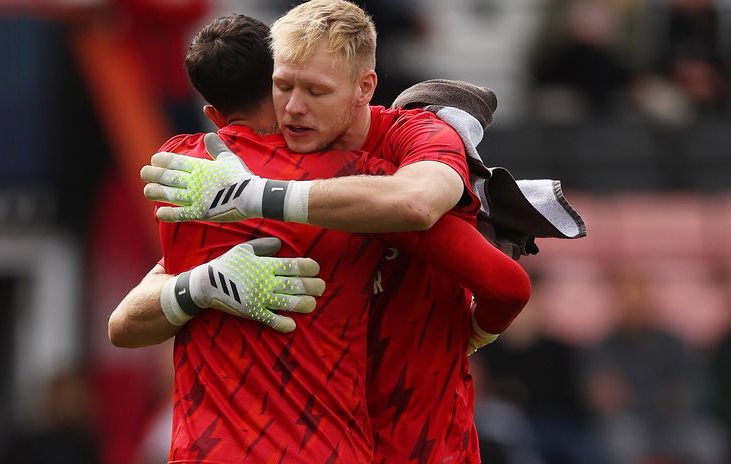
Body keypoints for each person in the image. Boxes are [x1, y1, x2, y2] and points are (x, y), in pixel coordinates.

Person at [112, 5, 529, 463]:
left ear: (364, 87)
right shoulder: (216, 182)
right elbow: (123, 324)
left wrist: (258, 195)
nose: (294, 107)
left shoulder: (399, 154)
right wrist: (200, 286)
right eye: (284, 87)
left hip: (416, 443)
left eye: (315, 91)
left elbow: (417, 204)